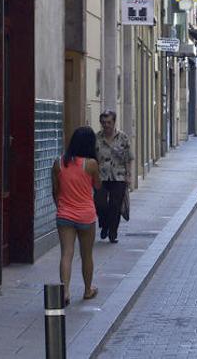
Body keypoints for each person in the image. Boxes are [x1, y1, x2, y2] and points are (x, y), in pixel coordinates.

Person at [52, 126, 102, 306]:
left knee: (66, 253)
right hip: (86, 216)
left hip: (64, 214)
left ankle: (65, 291)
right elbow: (97, 186)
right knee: (86, 254)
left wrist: (61, 207)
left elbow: (55, 191)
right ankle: (88, 290)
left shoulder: (58, 163)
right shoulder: (90, 164)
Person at [95, 110, 134, 244]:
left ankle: (113, 232)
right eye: (104, 123)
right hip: (101, 176)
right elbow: (92, 159)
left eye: (109, 122)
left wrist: (128, 175)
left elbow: (128, 158)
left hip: (119, 176)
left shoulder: (123, 138)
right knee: (100, 203)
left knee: (115, 205)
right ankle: (104, 224)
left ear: (114, 122)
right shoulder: (97, 138)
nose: (106, 125)